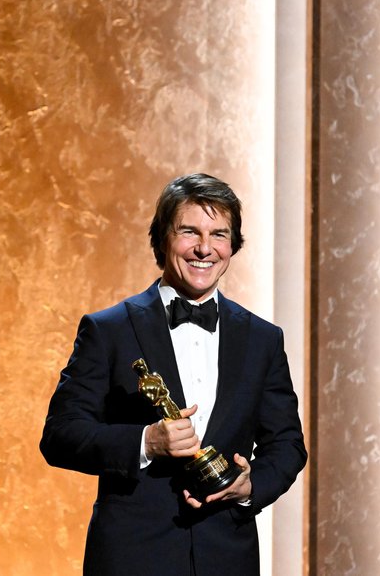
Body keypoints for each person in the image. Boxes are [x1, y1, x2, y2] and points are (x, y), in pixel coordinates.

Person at [40, 173, 306, 575]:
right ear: (162, 239)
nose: (204, 248)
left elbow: (287, 445)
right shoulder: (108, 329)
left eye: (219, 234)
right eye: (189, 231)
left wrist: (249, 486)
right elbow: (60, 436)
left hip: (228, 558)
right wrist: (146, 442)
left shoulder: (262, 339)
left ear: (233, 246)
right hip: (132, 557)